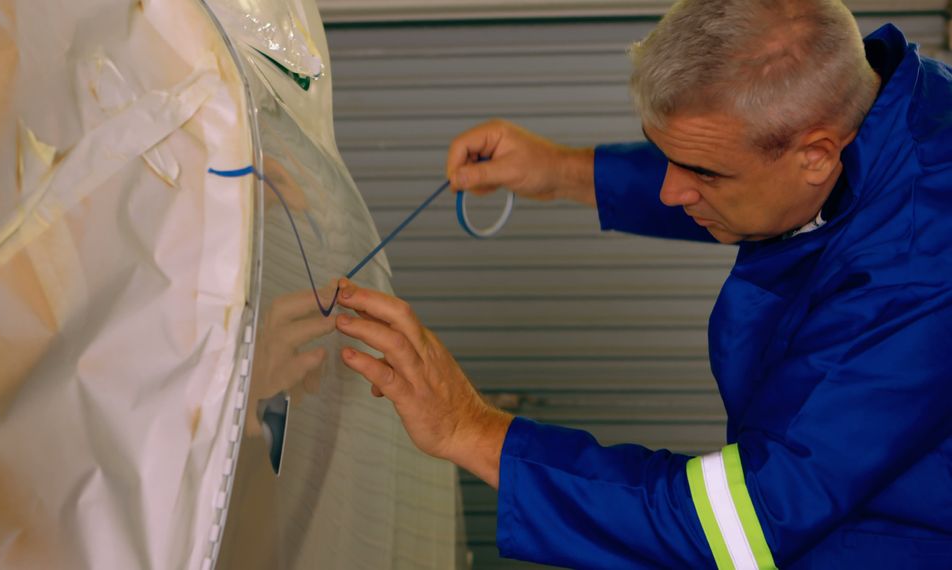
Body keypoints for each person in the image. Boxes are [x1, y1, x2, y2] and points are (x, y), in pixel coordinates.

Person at [334, 0, 952, 568]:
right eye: (672, 158)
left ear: (816, 154)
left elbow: (750, 521)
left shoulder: (918, 268)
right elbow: (756, 176)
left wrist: (471, 430)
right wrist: (561, 170)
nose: (671, 191)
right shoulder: (874, 104)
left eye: (701, 172)